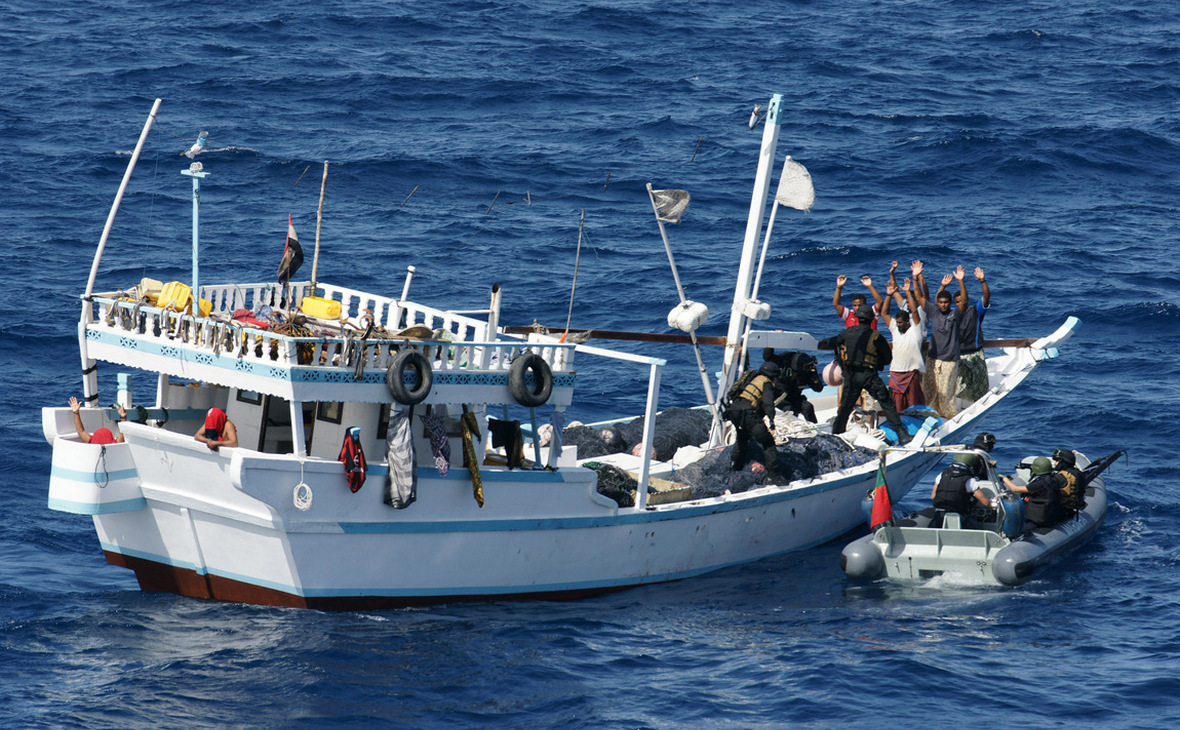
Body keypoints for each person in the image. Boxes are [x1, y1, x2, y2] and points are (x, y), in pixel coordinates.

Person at [820, 304, 911, 445]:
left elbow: (831, 342)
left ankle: (836, 436)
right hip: (869, 376)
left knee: (845, 407)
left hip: (850, 376)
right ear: (870, 320)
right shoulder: (876, 336)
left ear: (857, 318)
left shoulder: (847, 333)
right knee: (886, 403)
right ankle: (902, 435)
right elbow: (887, 358)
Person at [913, 261, 968, 418]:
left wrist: (961, 281)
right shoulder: (934, 312)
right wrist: (915, 278)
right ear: (937, 303)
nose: (943, 305)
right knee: (929, 390)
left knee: (946, 392)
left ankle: (948, 417)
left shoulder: (955, 315)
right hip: (933, 358)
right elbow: (918, 296)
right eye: (941, 302)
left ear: (950, 303)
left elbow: (964, 302)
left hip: (950, 360)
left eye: (946, 303)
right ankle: (930, 416)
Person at [729, 360, 783, 480]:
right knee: (768, 443)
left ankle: (734, 467)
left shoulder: (752, 378)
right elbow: (768, 403)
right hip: (747, 414)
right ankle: (773, 476)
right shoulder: (767, 382)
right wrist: (771, 420)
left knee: (742, 438)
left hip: (734, 411)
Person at [881, 278, 925, 413]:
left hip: (911, 373)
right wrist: (889, 295)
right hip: (896, 373)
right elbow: (884, 313)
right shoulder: (894, 329)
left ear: (908, 322)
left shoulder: (915, 329)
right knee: (897, 406)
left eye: (901, 322)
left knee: (914, 404)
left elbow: (915, 312)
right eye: (897, 322)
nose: (898, 324)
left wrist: (907, 293)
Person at [955, 266, 991, 403]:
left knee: (980, 389)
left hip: (976, 355)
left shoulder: (975, 311)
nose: (960, 304)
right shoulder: (952, 315)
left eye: (961, 301)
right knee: (959, 390)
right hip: (959, 356)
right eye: (957, 302)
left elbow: (986, 297)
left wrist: (982, 281)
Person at [762, 348, 823, 423]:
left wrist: (815, 377)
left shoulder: (807, 372)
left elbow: (819, 389)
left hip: (795, 397)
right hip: (779, 399)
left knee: (808, 407)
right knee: (790, 410)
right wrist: (770, 345)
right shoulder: (784, 363)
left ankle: (815, 427)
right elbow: (768, 357)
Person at [1002, 456, 1062, 529]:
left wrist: (1004, 478)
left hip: (1037, 520)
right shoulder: (1052, 480)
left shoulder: (1040, 484)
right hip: (1048, 516)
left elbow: (1015, 489)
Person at [931, 453, 992, 520]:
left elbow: (933, 496)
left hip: (938, 515)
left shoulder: (941, 475)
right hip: (959, 517)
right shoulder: (970, 480)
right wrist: (991, 503)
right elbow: (985, 503)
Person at [1051, 448, 1087, 519]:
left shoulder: (1062, 477)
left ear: (1063, 462)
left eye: (1057, 461)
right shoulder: (1078, 474)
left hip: (1060, 512)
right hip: (1071, 510)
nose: (1055, 463)